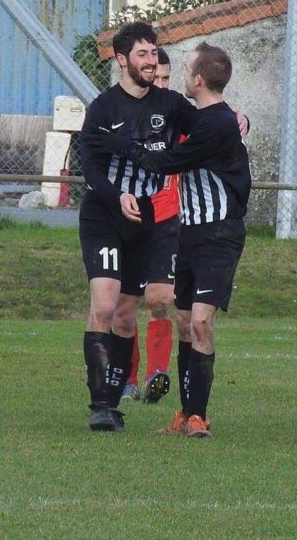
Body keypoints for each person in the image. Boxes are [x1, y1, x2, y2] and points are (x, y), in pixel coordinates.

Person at [90, 42, 250, 439]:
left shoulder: (217, 124)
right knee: (183, 321)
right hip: (190, 232)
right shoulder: (200, 117)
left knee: (199, 322)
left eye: (184, 71)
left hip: (219, 234)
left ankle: (199, 416)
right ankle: (184, 414)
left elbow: (165, 161)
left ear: (197, 79)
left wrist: (120, 144)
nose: (174, 78)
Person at [78, 22, 197, 432]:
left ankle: (113, 402)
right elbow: (89, 166)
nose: (151, 61)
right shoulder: (103, 108)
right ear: (122, 59)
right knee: (106, 305)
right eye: (143, 55)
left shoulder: (170, 104)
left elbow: (206, 125)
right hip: (104, 215)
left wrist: (237, 119)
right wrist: (116, 195)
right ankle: (97, 405)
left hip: (145, 219)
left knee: (127, 316)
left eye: (155, 53)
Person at [122, 47, 180, 405]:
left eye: (166, 79)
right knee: (122, 307)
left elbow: (215, 125)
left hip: (166, 219)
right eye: (155, 77)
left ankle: (156, 376)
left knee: (160, 299)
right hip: (127, 219)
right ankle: (126, 379)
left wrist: (241, 119)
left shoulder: (178, 116)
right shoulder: (120, 112)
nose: (161, 84)